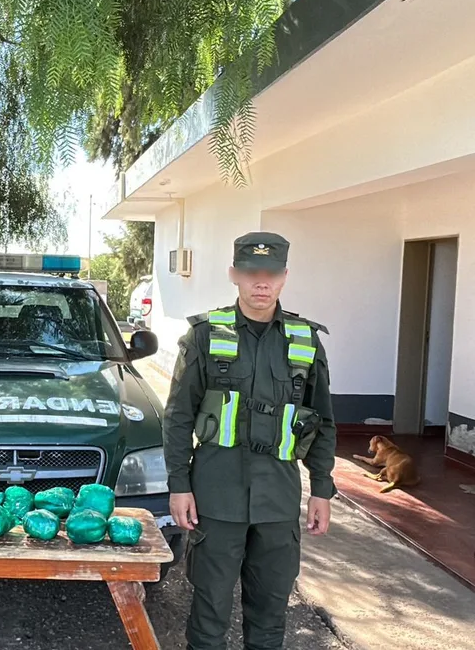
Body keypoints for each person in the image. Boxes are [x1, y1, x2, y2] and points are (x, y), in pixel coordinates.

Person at [163, 231, 337, 650]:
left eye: (271, 273)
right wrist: (179, 485)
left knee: (270, 614)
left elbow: (324, 421)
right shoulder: (205, 335)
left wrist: (322, 488)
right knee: (209, 613)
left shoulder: (305, 340)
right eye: (251, 271)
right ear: (233, 274)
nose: (262, 282)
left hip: (278, 499)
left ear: (285, 276)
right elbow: (178, 416)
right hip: (215, 496)